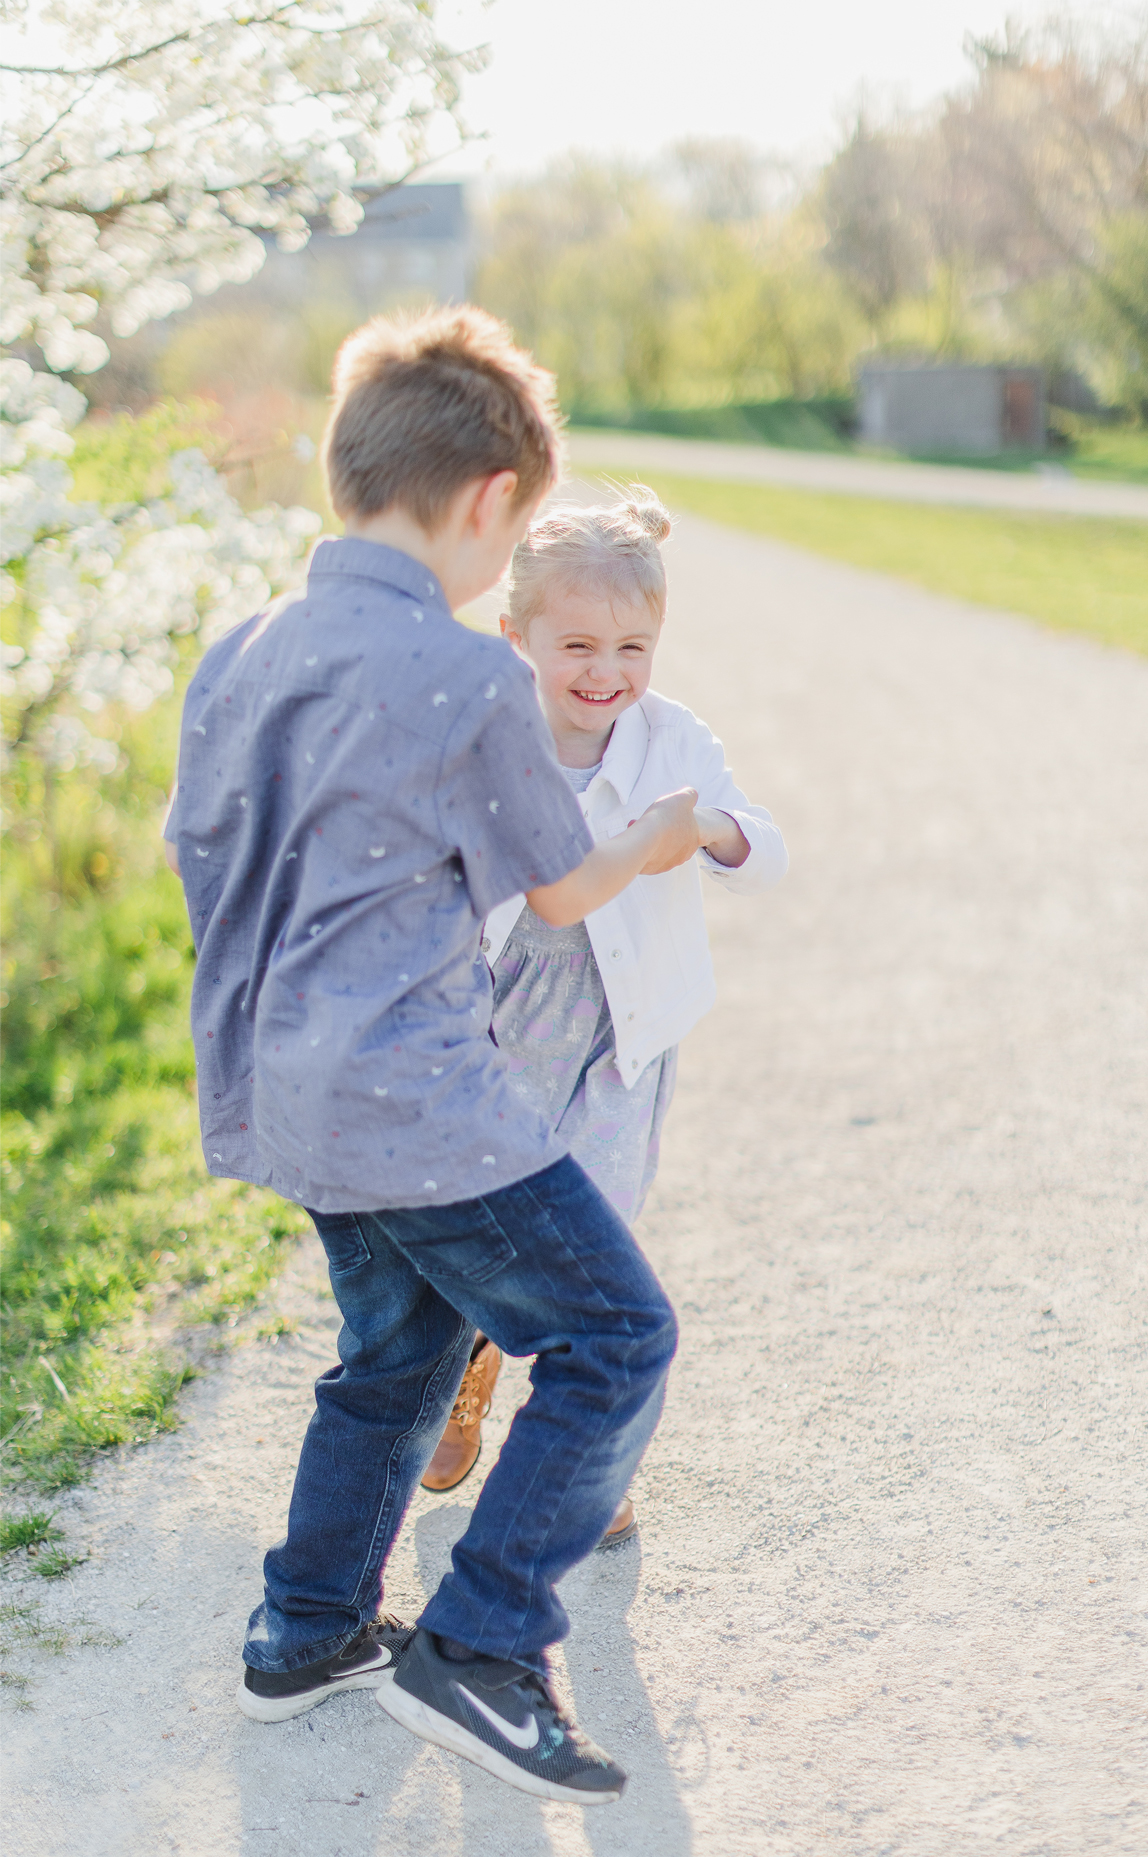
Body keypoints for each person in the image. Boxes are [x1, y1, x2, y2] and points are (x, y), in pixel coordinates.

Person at [169, 305, 701, 1804]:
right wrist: (657, 835)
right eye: (512, 532)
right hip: (425, 1101)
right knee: (617, 1338)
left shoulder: (238, 651)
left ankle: (310, 1624)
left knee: (398, 1356)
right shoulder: (470, 681)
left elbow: (205, 861)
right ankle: (479, 1645)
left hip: (284, 1091)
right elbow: (560, 888)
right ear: (488, 506)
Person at [417, 485, 787, 1546]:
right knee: (489, 1232)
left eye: (633, 646)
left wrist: (710, 830)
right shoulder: (486, 737)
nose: (606, 673)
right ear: (515, 636)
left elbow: (769, 856)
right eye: (577, 644)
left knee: (599, 1248)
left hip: (620, 1041)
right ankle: (470, 1363)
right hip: (501, 1028)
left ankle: (584, 1459)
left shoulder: (673, 745)